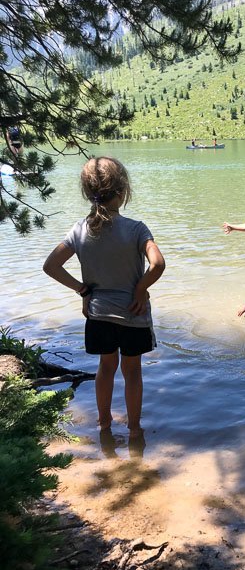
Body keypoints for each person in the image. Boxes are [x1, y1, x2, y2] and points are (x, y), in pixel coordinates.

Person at [43, 157, 165, 439]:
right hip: (133, 314)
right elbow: (157, 264)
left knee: (105, 368)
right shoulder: (136, 229)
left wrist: (83, 290)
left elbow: (51, 266)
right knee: (132, 372)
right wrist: (140, 288)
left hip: (98, 314)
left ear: (88, 193)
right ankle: (135, 430)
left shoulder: (79, 229)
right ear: (122, 192)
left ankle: (104, 426)